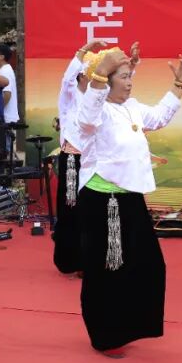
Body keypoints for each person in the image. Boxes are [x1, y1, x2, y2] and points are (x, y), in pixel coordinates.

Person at [76, 46, 182, 357]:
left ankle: (128, 327)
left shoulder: (132, 107)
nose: (130, 83)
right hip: (104, 199)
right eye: (124, 77)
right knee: (108, 268)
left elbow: (160, 116)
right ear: (106, 80)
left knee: (149, 265)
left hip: (130, 198)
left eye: (130, 77)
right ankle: (105, 334)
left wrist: (179, 84)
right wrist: (100, 73)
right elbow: (86, 118)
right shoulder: (95, 110)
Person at [54, 38, 111, 275]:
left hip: (93, 161)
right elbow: (67, 78)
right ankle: (72, 260)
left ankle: (93, 258)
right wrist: (86, 48)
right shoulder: (69, 95)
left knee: (92, 209)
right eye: (92, 72)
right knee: (71, 209)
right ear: (82, 74)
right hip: (71, 161)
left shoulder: (97, 98)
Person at [0, 43, 20, 134]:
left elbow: (7, 94)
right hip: (6, 118)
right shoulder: (4, 70)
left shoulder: (5, 71)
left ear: (2, 57)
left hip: (6, 119)